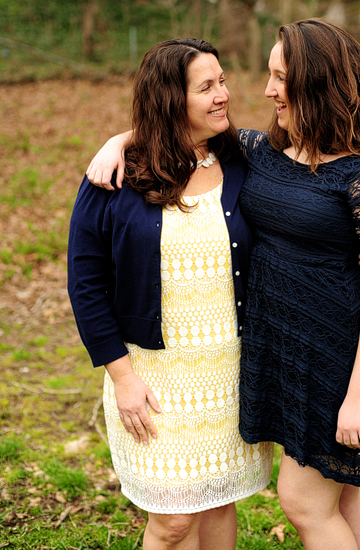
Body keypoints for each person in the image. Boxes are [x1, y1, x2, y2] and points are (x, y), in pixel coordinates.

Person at [87, 19, 360, 550]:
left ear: (317, 83)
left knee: (305, 502)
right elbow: (179, 128)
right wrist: (120, 140)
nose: (267, 90)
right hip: (279, 351)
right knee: (339, 494)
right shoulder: (259, 152)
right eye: (268, 75)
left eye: (280, 77)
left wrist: (357, 396)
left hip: (337, 358)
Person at [68, 38, 273, 550]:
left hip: (229, 372)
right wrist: (122, 377)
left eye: (222, 80)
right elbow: (86, 283)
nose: (223, 94)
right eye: (206, 87)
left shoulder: (245, 157)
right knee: (173, 521)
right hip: (151, 377)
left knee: (218, 500)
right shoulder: (115, 177)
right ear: (170, 100)